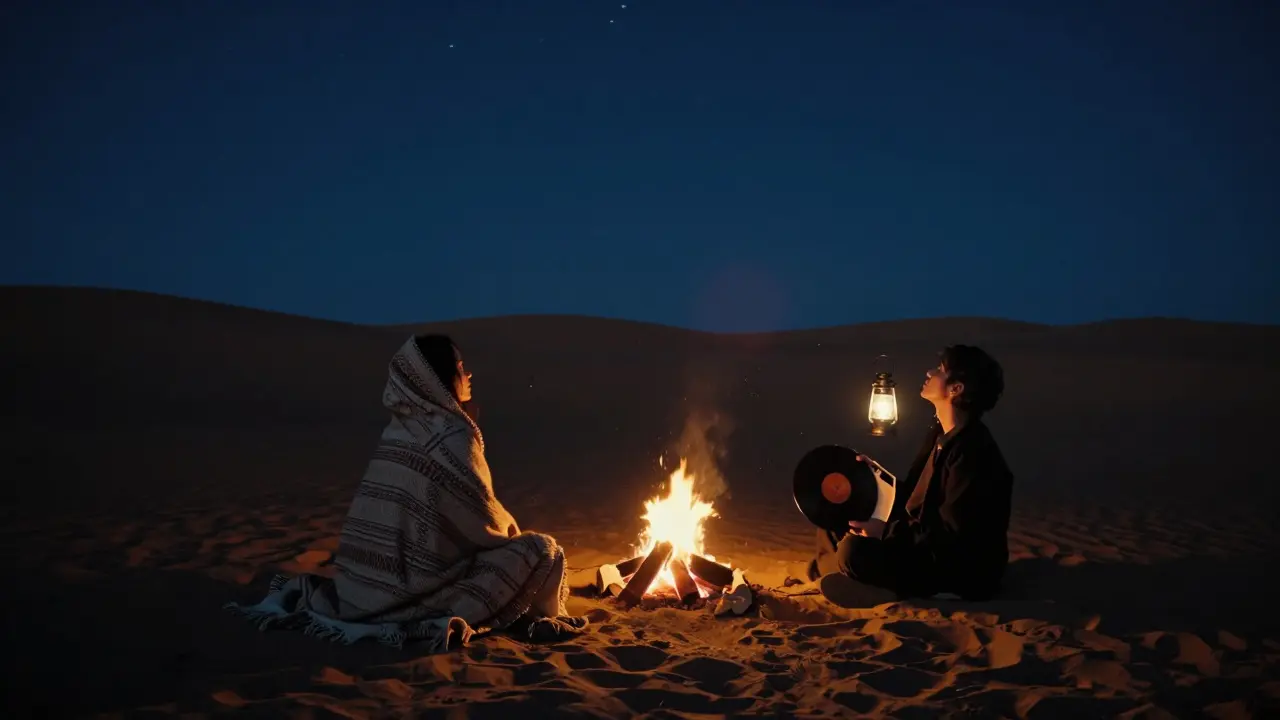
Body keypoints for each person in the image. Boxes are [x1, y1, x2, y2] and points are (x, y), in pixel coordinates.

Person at [227, 334, 587, 648]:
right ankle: (528, 616)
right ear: (440, 378)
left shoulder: (401, 429)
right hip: (414, 587)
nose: (469, 373)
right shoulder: (451, 436)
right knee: (542, 550)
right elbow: (483, 523)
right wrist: (511, 535)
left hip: (361, 586)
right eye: (461, 366)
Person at [811, 344, 1014, 606]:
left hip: (959, 568)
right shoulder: (940, 435)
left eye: (940, 370)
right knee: (835, 513)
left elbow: (951, 536)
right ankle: (855, 578)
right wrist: (875, 477)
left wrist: (885, 532)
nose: (929, 372)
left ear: (956, 388)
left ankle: (879, 588)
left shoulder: (972, 451)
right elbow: (915, 498)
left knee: (853, 551)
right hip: (920, 540)